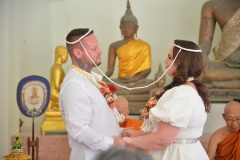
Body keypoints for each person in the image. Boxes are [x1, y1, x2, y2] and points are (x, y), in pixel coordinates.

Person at [121, 40, 210, 160]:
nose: (165, 61)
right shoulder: (191, 88)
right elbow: (169, 131)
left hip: (176, 155)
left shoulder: (181, 93)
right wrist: (137, 134)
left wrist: (130, 141)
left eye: (169, 57)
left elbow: (162, 139)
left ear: (182, 62)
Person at [59, 28, 126, 160]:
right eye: (94, 49)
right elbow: (78, 130)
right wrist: (112, 142)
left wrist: (121, 133)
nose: (100, 51)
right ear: (77, 53)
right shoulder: (75, 84)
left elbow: (99, 121)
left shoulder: (92, 79)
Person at [104, 0, 152, 88]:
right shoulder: (114, 45)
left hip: (137, 81)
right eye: (124, 27)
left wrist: (134, 80)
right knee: (108, 86)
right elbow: (110, 70)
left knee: (152, 85)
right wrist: (103, 79)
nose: (127, 29)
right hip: (120, 81)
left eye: (130, 26)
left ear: (136, 28)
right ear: (120, 28)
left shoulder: (144, 46)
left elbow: (147, 69)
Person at [198, 0, 240, 89]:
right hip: (227, 65)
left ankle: (223, 84)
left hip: (231, 71)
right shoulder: (211, 6)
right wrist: (200, 54)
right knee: (197, 72)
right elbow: (205, 44)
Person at [48, 46, 68, 111]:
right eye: (66, 56)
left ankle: (55, 105)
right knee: (70, 99)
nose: (67, 58)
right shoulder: (57, 69)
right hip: (54, 93)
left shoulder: (56, 67)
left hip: (55, 92)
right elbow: (57, 86)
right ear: (60, 56)